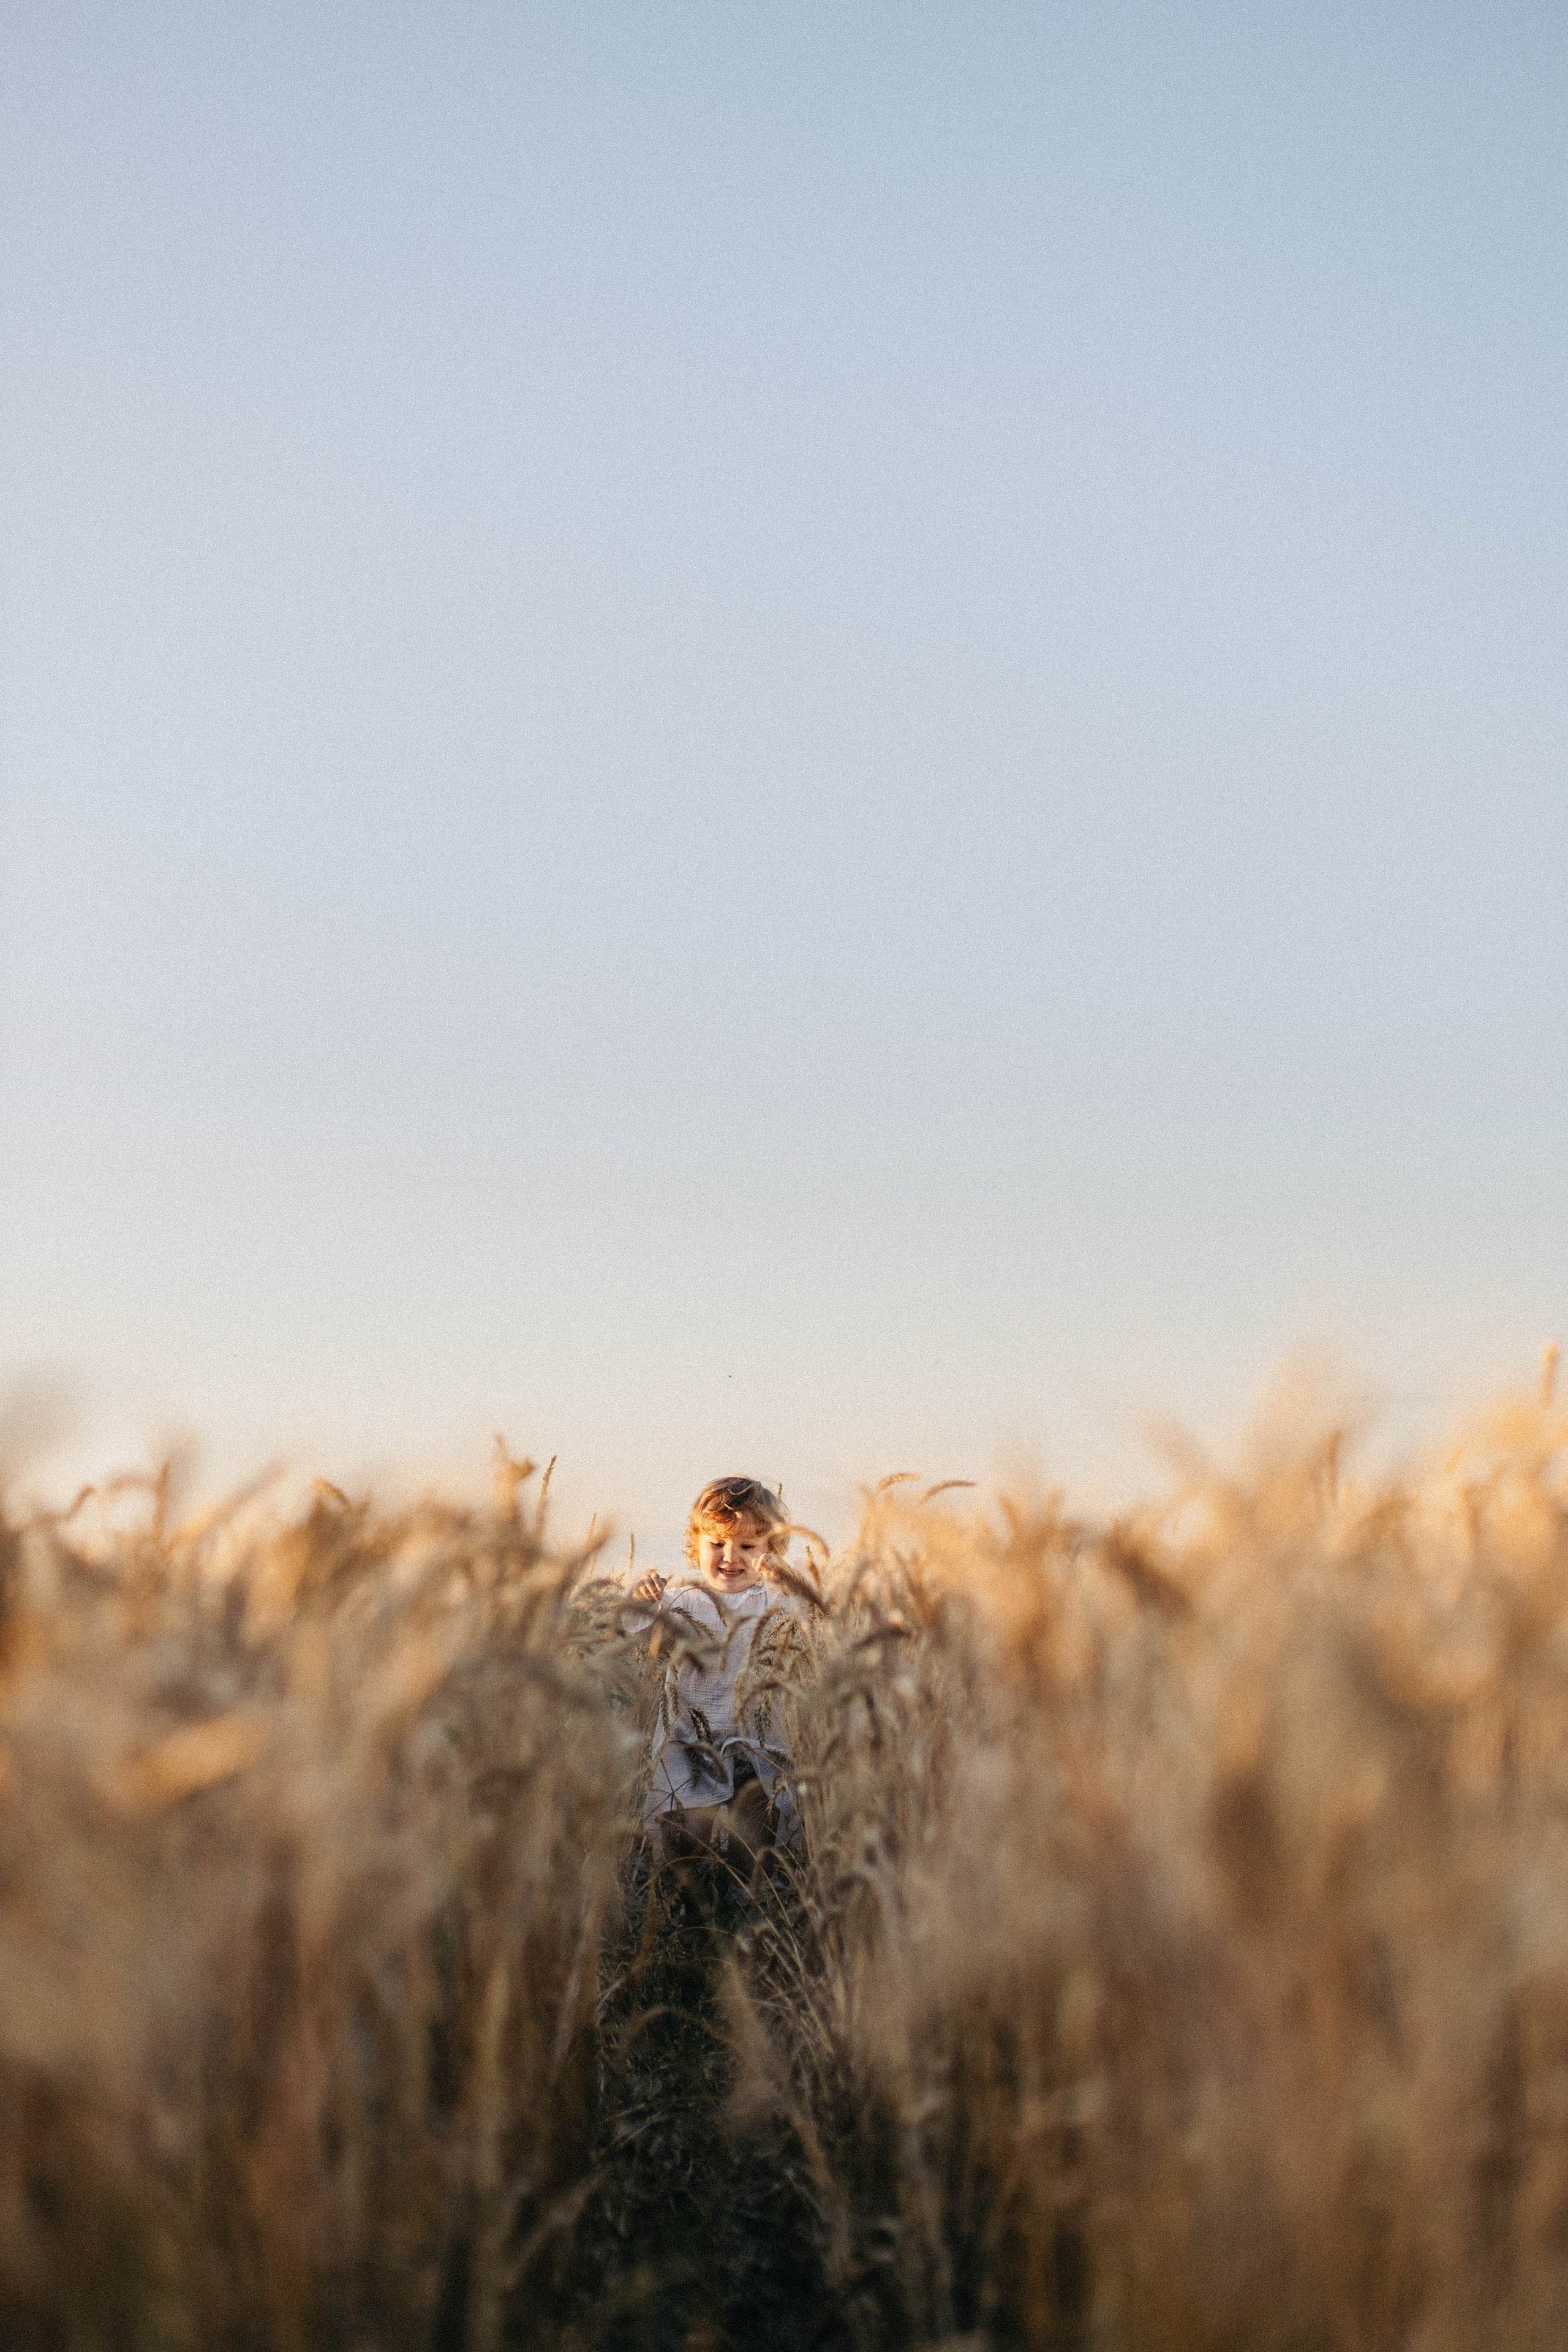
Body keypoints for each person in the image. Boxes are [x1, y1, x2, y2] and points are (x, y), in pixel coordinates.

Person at [627, 1475, 804, 1866]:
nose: (730, 1556)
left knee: (757, 1830)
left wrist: (786, 1577)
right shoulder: (685, 1601)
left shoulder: (774, 1600)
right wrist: (640, 1595)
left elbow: (812, 1614)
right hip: (692, 1739)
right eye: (717, 1543)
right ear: (696, 1546)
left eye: (747, 1546)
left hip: (756, 1738)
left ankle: (745, 1904)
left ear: (770, 1551)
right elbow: (630, 1624)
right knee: (687, 1835)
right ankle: (692, 1912)